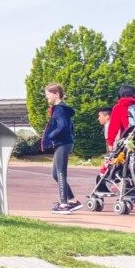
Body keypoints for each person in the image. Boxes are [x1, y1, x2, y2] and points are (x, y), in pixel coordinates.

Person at [41, 83, 79, 213]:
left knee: (61, 173)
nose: (47, 98)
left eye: (48, 95)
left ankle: (63, 205)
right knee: (55, 174)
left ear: (56, 94)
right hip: (63, 143)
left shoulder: (59, 109)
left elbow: (62, 126)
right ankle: (73, 201)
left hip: (63, 143)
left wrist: (51, 135)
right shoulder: (61, 109)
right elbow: (69, 127)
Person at [106, 84, 135, 149]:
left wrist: (110, 144)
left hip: (130, 141)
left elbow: (113, 127)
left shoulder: (118, 107)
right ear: (133, 94)